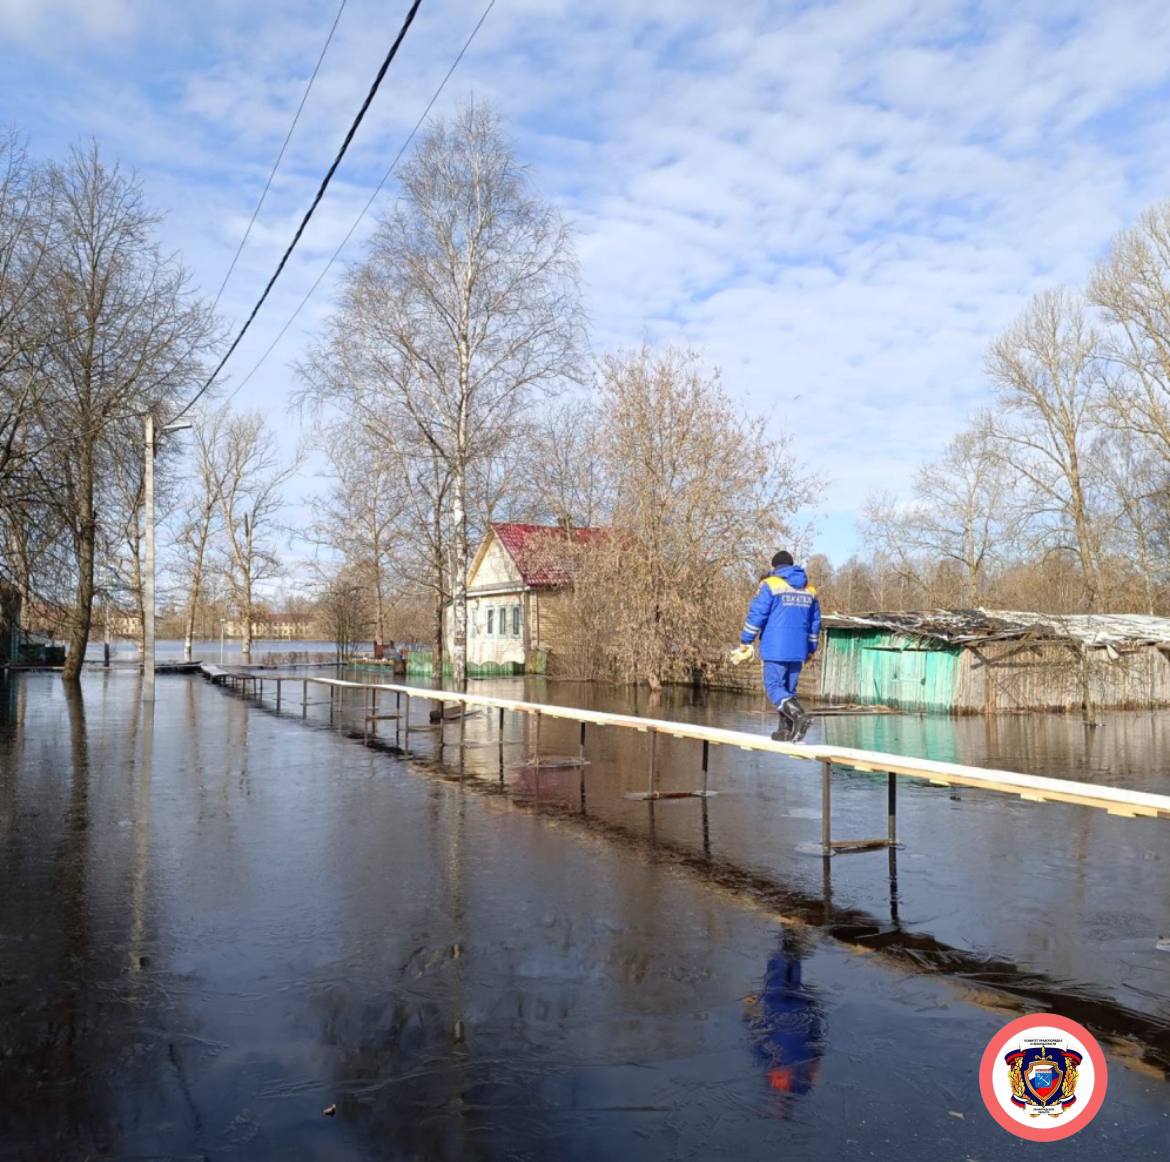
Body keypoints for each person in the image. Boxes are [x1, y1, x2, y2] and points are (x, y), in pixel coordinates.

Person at [739, 550, 820, 741]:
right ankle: (784, 730)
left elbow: (757, 614)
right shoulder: (810, 589)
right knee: (788, 690)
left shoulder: (770, 584)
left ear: (775, 566)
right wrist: (811, 649)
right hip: (798, 649)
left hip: (776, 647)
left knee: (774, 686)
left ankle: (799, 716)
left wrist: (746, 639)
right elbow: (814, 623)